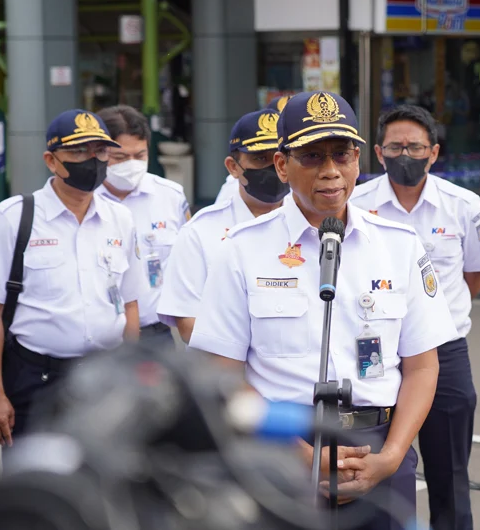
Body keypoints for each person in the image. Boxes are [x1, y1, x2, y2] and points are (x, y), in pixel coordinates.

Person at [189, 91, 458, 530]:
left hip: (376, 447)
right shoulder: (241, 250)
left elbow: (423, 366)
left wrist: (390, 457)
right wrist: (301, 456)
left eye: (342, 155)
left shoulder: (399, 245)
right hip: (278, 450)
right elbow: (221, 374)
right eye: (313, 156)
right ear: (282, 165)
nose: (331, 171)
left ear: (357, 161)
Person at [0, 109, 145, 448]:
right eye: (78, 151)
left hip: (104, 378)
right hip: (37, 380)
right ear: (51, 160)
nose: (92, 160)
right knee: (34, 475)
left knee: (104, 475)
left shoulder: (120, 219)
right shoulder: (15, 216)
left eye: (100, 151)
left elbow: (130, 303)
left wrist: (129, 372)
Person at [351, 104, 480, 530]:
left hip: (444, 353)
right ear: (379, 152)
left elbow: (475, 273)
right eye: (395, 147)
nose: (405, 155)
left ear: (433, 152)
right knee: (375, 464)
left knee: (450, 474)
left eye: (415, 147)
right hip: (375, 353)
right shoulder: (356, 204)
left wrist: (433, 320)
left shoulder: (462, 205)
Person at [157, 108, 289, 343]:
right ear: (233, 167)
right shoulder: (200, 233)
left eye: (280, 158)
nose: (273, 168)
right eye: (260, 158)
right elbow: (187, 322)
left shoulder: (314, 225)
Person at [96, 105, 190, 345]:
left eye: (139, 156)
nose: (131, 164)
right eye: (120, 158)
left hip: (155, 334)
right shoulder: (85, 200)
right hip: (98, 338)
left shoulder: (170, 197)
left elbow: (190, 263)